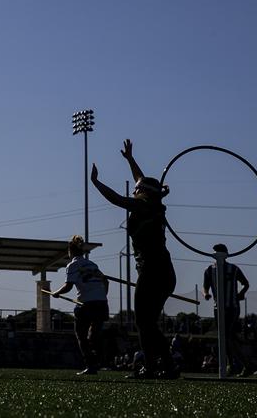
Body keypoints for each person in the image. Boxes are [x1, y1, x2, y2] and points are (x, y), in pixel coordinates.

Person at [91, 139, 179, 379]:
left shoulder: (143, 205)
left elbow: (119, 199)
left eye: (137, 189)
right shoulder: (152, 202)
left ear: (143, 193)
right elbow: (144, 182)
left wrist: (96, 183)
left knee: (144, 322)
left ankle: (156, 366)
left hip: (152, 271)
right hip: (163, 272)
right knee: (147, 322)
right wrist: (130, 159)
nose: (134, 189)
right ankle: (163, 366)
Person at [51, 235, 110, 375]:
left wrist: (56, 293)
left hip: (86, 304)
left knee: (81, 336)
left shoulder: (73, 265)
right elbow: (106, 281)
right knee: (94, 335)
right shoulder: (92, 265)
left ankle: (91, 365)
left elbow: (68, 286)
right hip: (102, 303)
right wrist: (102, 296)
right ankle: (98, 361)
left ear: (70, 251)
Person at [203, 244, 251, 375]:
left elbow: (246, 283)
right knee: (226, 337)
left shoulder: (233, 269)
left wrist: (241, 294)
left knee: (227, 336)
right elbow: (205, 287)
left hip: (232, 307)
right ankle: (238, 364)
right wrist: (206, 294)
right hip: (218, 307)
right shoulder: (209, 270)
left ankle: (236, 364)